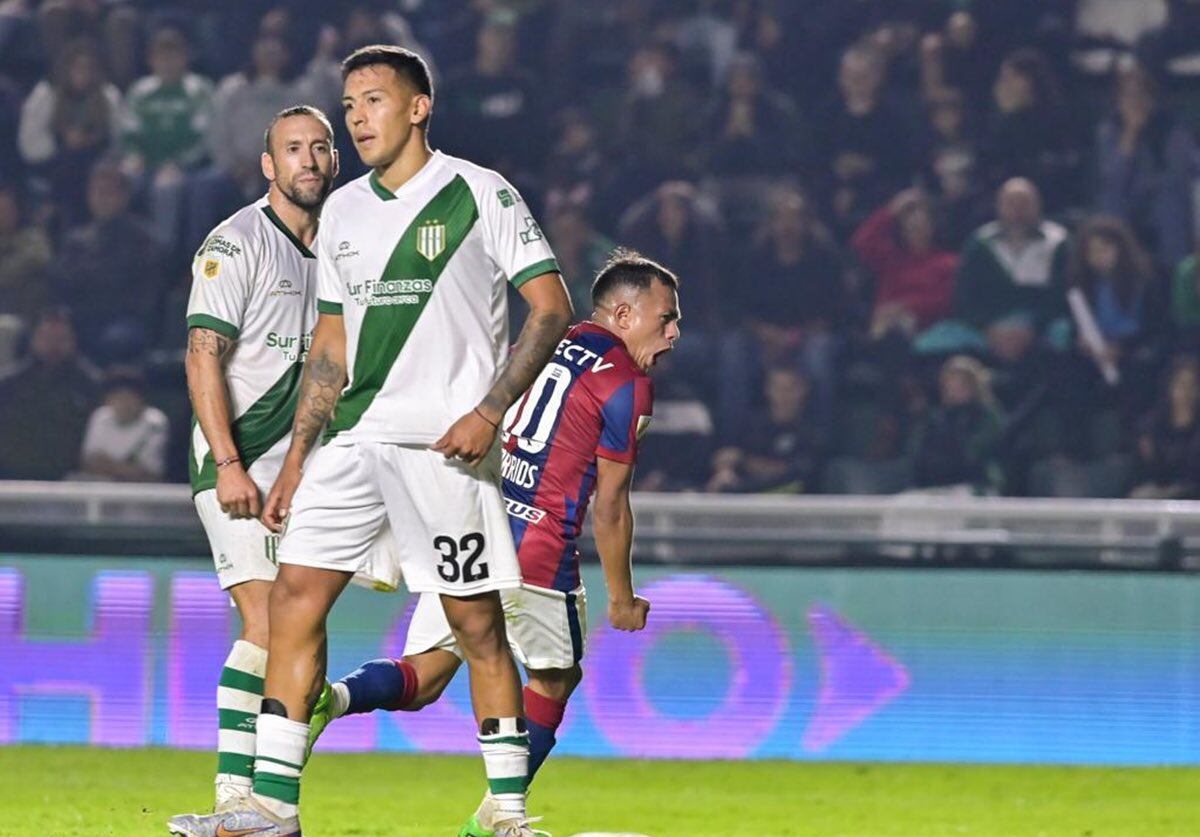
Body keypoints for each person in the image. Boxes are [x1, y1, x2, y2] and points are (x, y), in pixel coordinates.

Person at [170, 46, 573, 837]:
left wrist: (491, 411)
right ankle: (270, 807)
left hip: (443, 446)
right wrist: (293, 462)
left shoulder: (478, 193)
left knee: (476, 625)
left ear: (419, 107)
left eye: (374, 101)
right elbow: (329, 346)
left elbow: (552, 308)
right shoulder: (345, 212)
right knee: (291, 603)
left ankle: (508, 812)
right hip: (352, 443)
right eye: (349, 104)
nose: (357, 117)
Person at [309, 251, 678, 837]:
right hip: (538, 552)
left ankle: (329, 699)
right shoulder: (628, 386)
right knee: (555, 680)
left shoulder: (542, 339)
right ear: (626, 314)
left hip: (470, 528)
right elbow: (610, 506)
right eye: (666, 318)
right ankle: (495, 820)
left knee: (425, 677)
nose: (674, 333)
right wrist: (624, 597)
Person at [165, 105, 344, 828]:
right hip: (236, 463)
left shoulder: (343, 245)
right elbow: (202, 354)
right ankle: (236, 801)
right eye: (292, 149)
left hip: (307, 467)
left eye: (319, 148)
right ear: (268, 166)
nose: (308, 159)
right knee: (269, 620)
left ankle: (268, 803)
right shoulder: (235, 244)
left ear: (334, 162)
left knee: (305, 644)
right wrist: (231, 464)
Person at [0, 307, 99, 479]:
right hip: (12, 478)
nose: (53, 346)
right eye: (47, 338)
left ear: (73, 341)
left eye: (61, 339)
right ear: (33, 340)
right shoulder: (9, 384)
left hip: (68, 482)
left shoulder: (91, 385)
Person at [77, 368, 168, 482]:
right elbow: (88, 464)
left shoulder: (155, 422)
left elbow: (151, 475)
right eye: (118, 398)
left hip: (141, 493)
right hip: (100, 489)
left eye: (129, 397)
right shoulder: (100, 416)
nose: (124, 404)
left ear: (141, 400)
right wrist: (125, 468)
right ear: (108, 400)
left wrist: (107, 464)